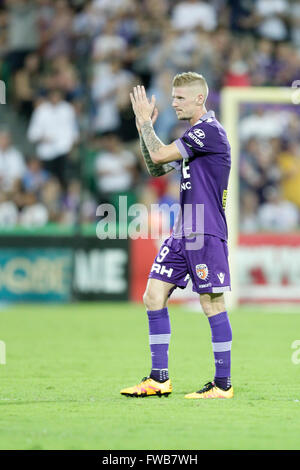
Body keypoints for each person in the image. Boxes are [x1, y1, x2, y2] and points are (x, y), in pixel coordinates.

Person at [120, 72, 233, 399]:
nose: (173, 103)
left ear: (200, 99)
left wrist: (144, 124)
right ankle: (159, 379)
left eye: (180, 98)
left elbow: (157, 155)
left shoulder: (209, 132)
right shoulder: (192, 136)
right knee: (153, 296)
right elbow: (156, 168)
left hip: (205, 230)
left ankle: (222, 384)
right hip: (183, 230)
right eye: (172, 97)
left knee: (211, 302)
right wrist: (147, 131)